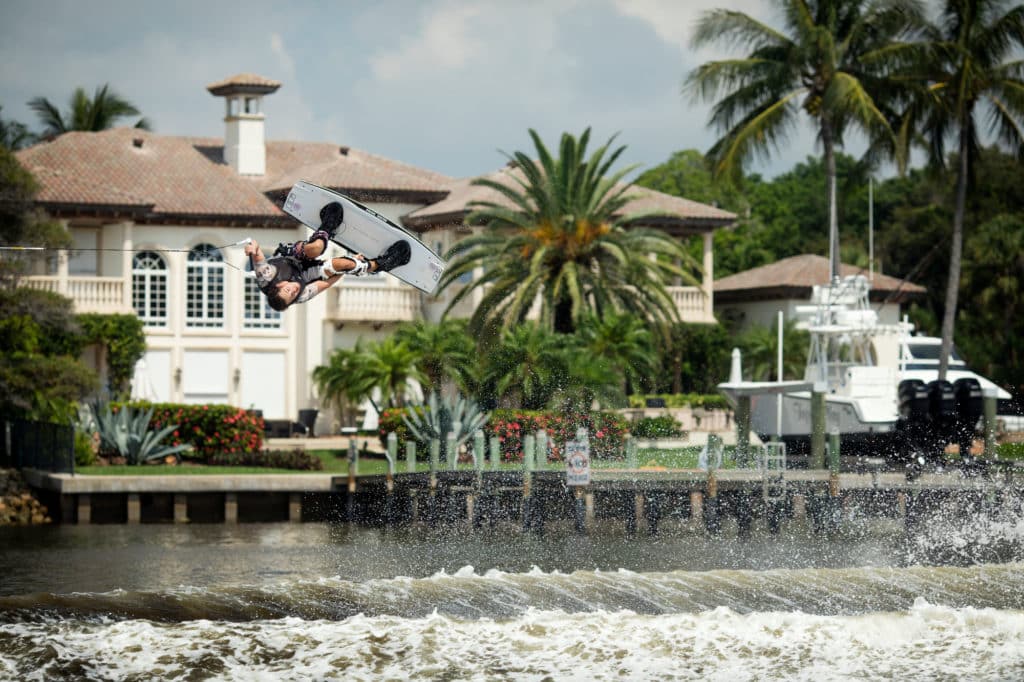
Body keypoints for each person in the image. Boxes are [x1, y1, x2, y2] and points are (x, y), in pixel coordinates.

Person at [244, 201, 411, 311]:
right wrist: (348, 266)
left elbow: (257, 252)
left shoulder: (266, 278)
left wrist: (252, 248)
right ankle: (381, 264)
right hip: (306, 273)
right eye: (292, 295)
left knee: (316, 248)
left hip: (291, 257)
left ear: (278, 286)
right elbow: (326, 283)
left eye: (289, 290)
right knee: (341, 265)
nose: (294, 290)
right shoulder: (301, 295)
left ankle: (329, 225)